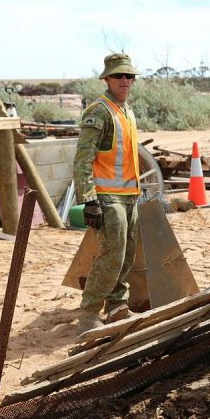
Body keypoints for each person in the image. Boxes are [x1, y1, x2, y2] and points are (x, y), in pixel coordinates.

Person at [73, 53, 141, 333]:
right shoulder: (99, 111)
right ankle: (89, 314)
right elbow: (83, 159)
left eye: (129, 76)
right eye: (119, 76)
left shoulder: (126, 110)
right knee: (112, 255)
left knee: (126, 255)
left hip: (129, 196)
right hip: (106, 197)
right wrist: (89, 200)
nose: (125, 81)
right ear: (107, 79)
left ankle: (116, 306)